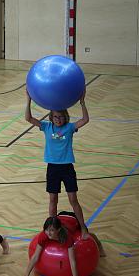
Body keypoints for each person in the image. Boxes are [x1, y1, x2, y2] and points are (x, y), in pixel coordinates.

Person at [25, 90, 90, 239]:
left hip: (67, 168)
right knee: (53, 200)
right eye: (55, 117)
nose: (58, 119)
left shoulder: (70, 128)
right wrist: (28, 99)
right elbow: (28, 118)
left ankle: (83, 227)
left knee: (73, 199)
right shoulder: (47, 127)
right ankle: (52, 230)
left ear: (65, 117)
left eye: (61, 117)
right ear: (51, 117)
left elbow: (85, 119)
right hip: (52, 168)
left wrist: (82, 102)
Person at [20, 214, 104, 276]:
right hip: (60, 216)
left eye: (52, 230)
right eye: (46, 230)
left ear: (58, 230)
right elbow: (35, 256)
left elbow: (72, 261)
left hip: (73, 219)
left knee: (88, 235)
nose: (48, 233)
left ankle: (99, 244)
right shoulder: (44, 235)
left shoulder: (66, 237)